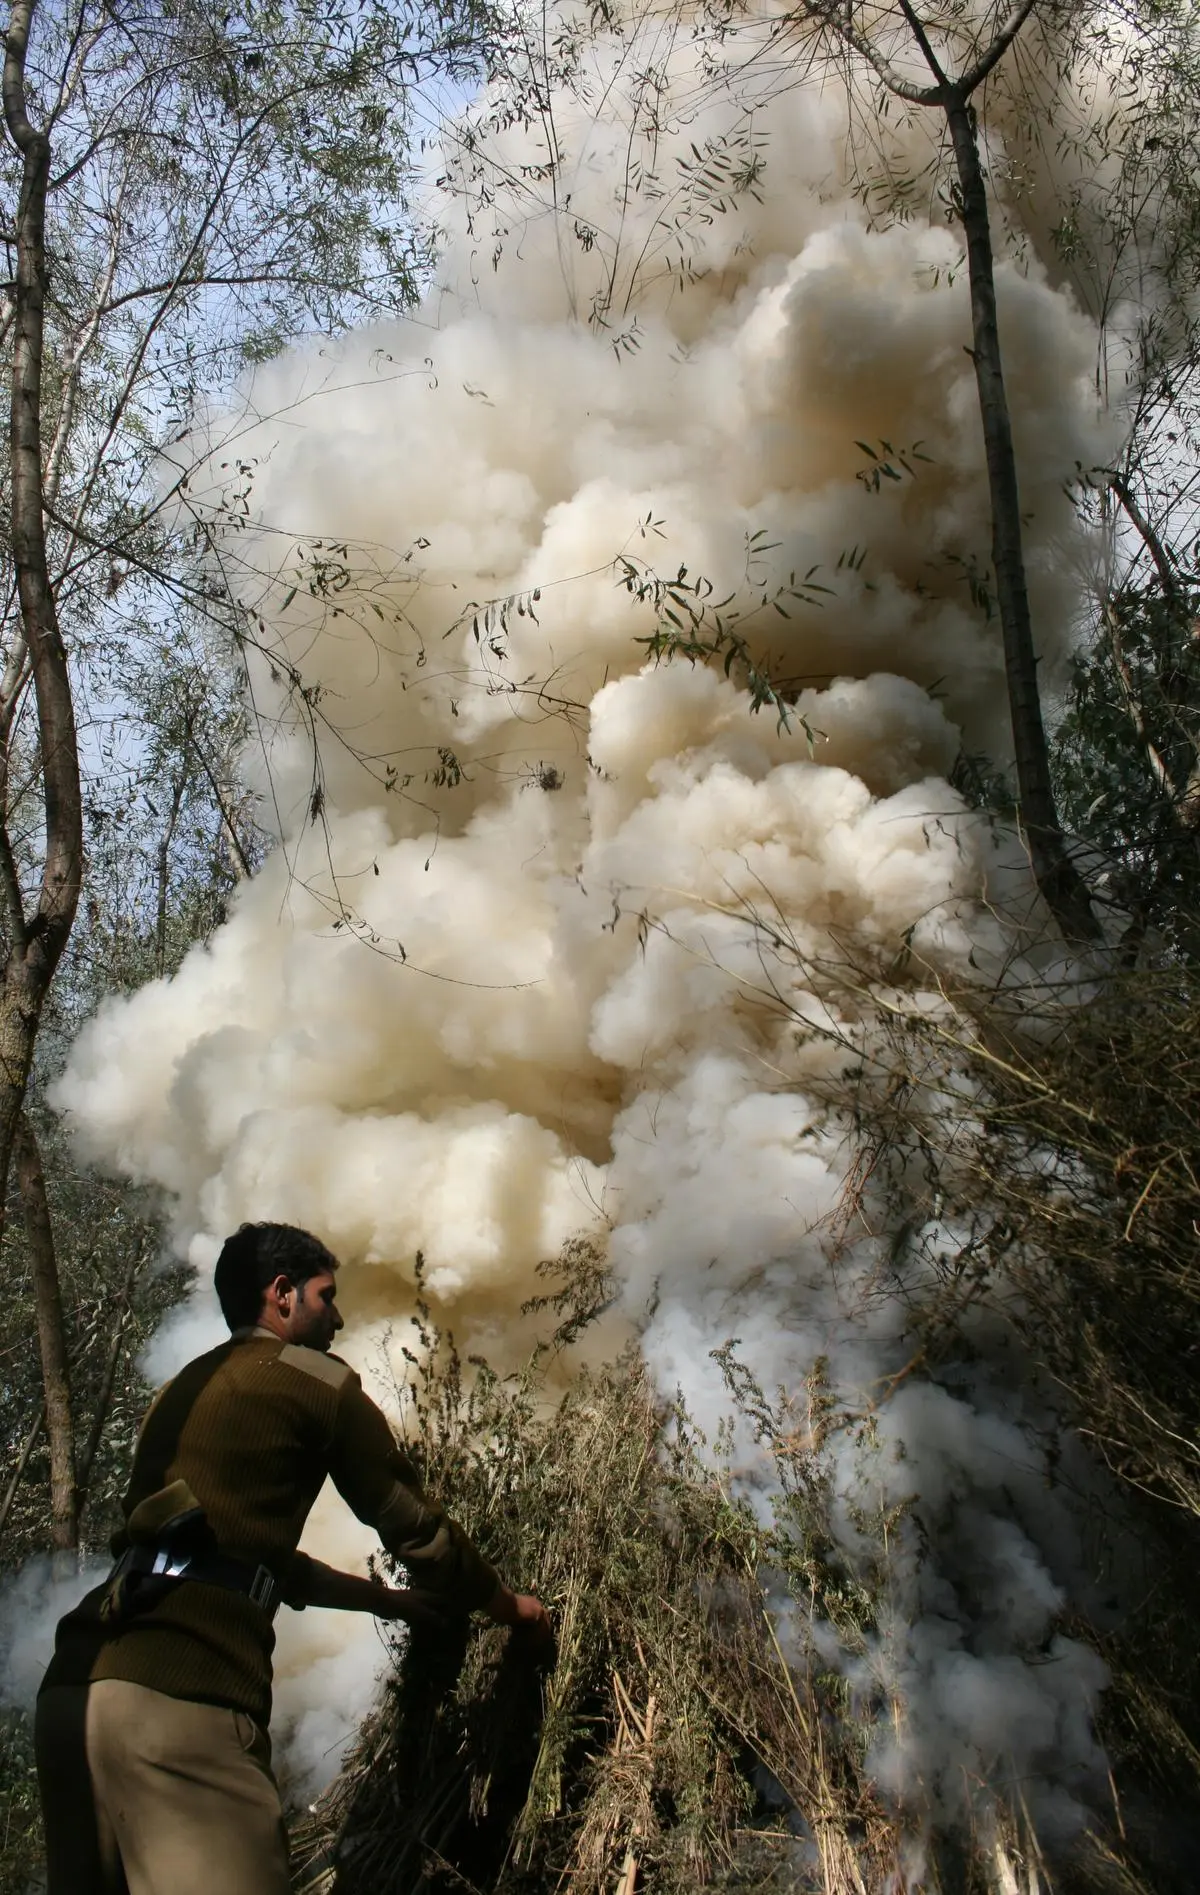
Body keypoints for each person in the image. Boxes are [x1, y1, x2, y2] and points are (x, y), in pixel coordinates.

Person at [35, 1222, 551, 1895]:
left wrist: (384, 1600)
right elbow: (413, 1528)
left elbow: (233, 1557)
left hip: (76, 1696)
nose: (337, 1316)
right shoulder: (317, 1381)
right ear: (281, 1293)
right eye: (326, 1295)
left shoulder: (179, 1392)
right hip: (184, 1696)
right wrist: (510, 1606)